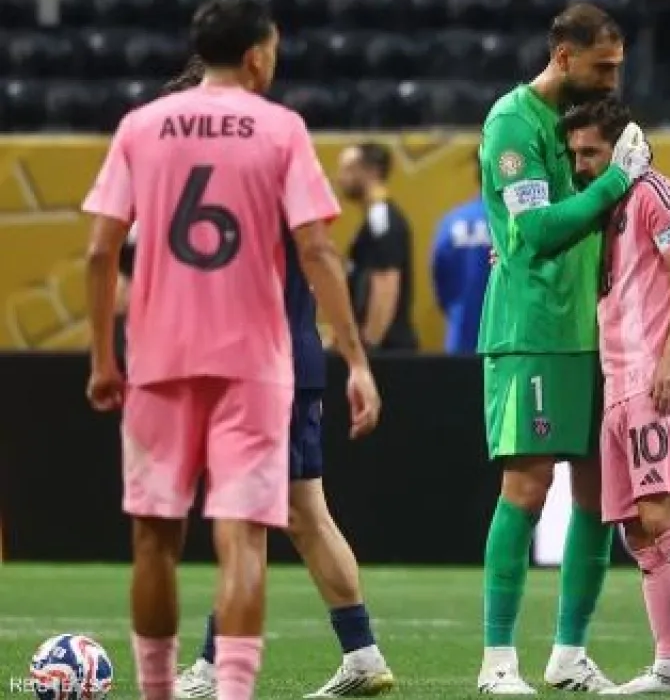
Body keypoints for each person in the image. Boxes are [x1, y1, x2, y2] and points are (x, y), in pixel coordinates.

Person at [80, 0, 381, 700]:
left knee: (155, 538)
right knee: (247, 532)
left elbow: (98, 252)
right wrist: (357, 360)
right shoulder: (279, 131)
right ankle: (235, 687)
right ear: (256, 56)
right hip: (255, 363)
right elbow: (318, 251)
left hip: (161, 358)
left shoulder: (141, 127)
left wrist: (101, 358)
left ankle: (162, 687)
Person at [143, 60, 395, 700]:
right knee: (305, 515)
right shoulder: (272, 168)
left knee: (248, 519)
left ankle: (213, 668)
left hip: (253, 370)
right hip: (290, 363)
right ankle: (362, 654)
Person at [474, 1, 656, 694]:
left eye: (617, 67)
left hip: (596, 330)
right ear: (563, 56)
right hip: (534, 331)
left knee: (598, 496)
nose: (612, 81)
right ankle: (497, 660)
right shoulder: (512, 123)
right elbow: (541, 232)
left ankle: (569, 654)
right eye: (602, 68)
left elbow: (621, 213)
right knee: (526, 488)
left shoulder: (595, 123)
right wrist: (617, 180)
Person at [560, 98, 670, 697]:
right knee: (638, 531)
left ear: (620, 149)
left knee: (662, 513)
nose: (581, 165)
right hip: (618, 383)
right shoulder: (605, 208)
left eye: (591, 152)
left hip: (655, 380)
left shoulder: (652, 192)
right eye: (575, 154)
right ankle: (669, 663)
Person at [336, 142, 419, 352]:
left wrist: (370, 343)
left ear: (372, 172)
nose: (340, 178)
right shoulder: (373, 219)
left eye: (348, 169)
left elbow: (386, 280)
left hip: (387, 350)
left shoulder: (381, 219)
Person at [430, 154, 491, 354]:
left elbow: (440, 276)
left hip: (461, 336)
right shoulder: (516, 222)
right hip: (508, 339)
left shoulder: (452, 221)